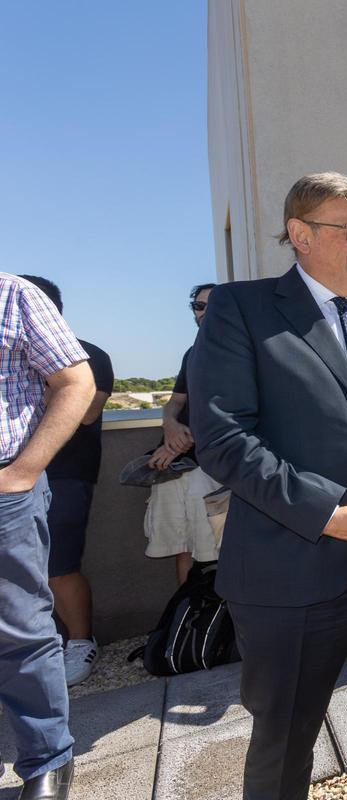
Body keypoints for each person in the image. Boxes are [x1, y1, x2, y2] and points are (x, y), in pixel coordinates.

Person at [188, 172, 347, 800]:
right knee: (285, 740)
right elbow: (223, 440)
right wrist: (330, 514)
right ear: (299, 234)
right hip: (291, 569)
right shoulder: (241, 310)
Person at [0, 272, 95, 800]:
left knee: (19, 628)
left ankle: (47, 762)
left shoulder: (13, 294)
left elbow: (78, 383)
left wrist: (23, 471)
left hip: (6, 487)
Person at [19, 276, 114, 687]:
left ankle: (80, 642)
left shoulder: (88, 355)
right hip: (16, 481)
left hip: (66, 476)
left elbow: (87, 411)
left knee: (59, 566)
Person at [144, 283, 221, 585]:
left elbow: (230, 413)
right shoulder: (193, 352)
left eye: (210, 305)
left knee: (214, 553)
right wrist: (170, 426)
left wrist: (178, 445)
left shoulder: (240, 349)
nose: (203, 312)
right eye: (197, 306)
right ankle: (187, 620)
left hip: (214, 470)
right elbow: (175, 403)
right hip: (180, 469)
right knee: (184, 550)